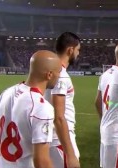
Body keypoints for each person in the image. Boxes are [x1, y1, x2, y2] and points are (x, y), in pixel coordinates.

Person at [0, 50, 61, 168]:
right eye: (59, 72)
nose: (59, 77)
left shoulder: (7, 93)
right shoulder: (41, 107)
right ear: (49, 74)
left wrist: (0, 161)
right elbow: (41, 161)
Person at [45, 32, 81, 168]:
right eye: (78, 50)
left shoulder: (47, 70)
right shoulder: (61, 75)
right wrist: (70, 154)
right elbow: (59, 117)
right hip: (59, 140)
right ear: (70, 50)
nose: (78, 54)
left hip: (48, 136)